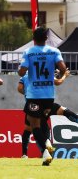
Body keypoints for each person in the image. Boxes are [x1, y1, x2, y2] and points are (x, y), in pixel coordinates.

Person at [18, 26, 67, 166]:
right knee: (44, 122)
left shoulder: (29, 52)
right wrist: (59, 76)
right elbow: (63, 68)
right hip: (49, 95)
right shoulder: (54, 51)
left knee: (35, 125)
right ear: (46, 38)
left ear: (33, 39)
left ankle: (45, 152)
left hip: (34, 94)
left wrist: (23, 69)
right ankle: (47, 144)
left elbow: (22, 72)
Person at [18, 69, 78, 158]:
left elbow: (19, 89)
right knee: (63, 111)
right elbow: (58, 81)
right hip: (47, 104)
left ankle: (26, 154)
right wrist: (64, 75)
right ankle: (47, 142)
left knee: (30, 129)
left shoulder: (25, 76)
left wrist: (27, 93)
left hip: (32, 105)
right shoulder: (45, 73)